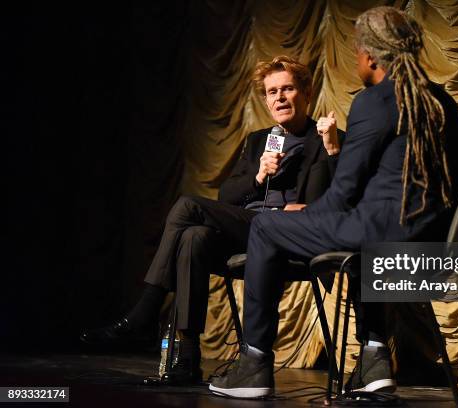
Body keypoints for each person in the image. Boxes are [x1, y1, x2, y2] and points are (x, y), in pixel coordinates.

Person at [209, 6, 458, 399]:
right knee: (360, 241)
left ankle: (255, 364)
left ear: (369, 55)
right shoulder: (443, 103)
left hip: (380, 232)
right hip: (430, 238)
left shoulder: (375, 101)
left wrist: (304, 215)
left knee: (265, 225)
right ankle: (375, 358)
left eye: (357, 51)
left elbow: (344, 191)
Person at [80, 55, 344, 384]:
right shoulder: (260, 141)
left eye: (287, 88)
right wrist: (259, 176)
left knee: (188, 205)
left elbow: (339, 202)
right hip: (253, 230)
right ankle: (188, 358)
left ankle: (146, 311)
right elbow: (227, 197)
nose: (278, 97)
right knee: (195, 238)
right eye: (271, 92)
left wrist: (333, 150)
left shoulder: (327, 140)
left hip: (293, 237)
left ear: (306, 92)